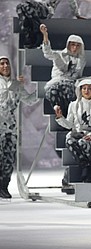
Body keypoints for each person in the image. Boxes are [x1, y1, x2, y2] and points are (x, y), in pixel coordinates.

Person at [55, 78, 91, 183]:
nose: (86, 91)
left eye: (89, 88)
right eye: (84, 88)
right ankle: (85, 166)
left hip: (90, 136)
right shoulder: (73, 105)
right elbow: (70, 124)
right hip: (77, 133)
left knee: (82, 142)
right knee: (70, 140)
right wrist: (60, 118)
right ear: (80, 90)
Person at [0, 56, 38, 199]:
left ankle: (3, 186)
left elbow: (28, 100)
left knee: (9, 157)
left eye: (6, 63)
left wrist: (39, 92)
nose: (4, 66)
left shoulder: (16, 84)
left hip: (10, 126)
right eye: (2, 64)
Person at [40, 23, 86, 117]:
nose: (75, 47)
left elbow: (78, 74)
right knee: (53, 92)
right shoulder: (59, 55)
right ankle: (61, 114)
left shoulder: (81, 60)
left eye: (77, 45)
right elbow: (48, 53)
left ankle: (69, 117)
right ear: (68, 45)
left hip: (71, 84)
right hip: (57, 82)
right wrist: (45, 35)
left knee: (70, 94)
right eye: (73, 44)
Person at [16, 0, 86, 49]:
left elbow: (72, 1)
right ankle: (31, 35)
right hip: (32, 9)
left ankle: (35, 34)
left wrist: (77, 14)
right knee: (20, 8)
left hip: (45, 8)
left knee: (24, 6)